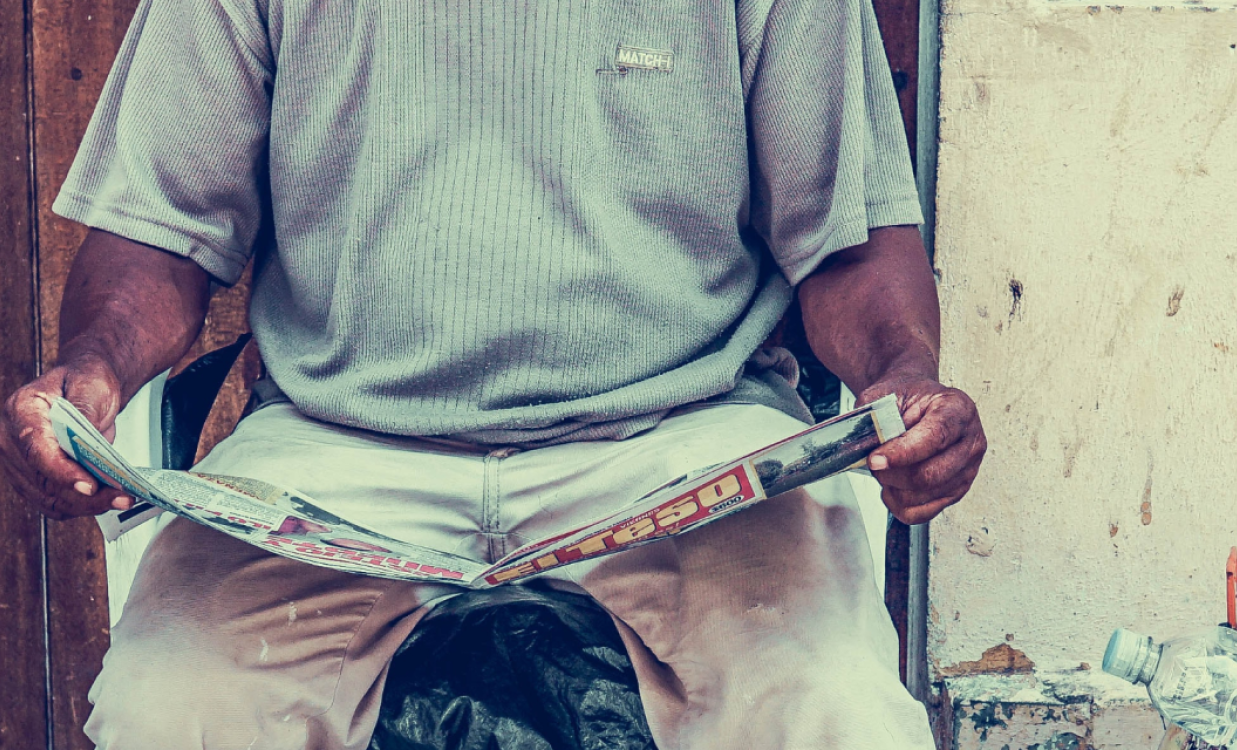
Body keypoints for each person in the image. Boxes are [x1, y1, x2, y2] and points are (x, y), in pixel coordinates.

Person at [0, 1, 986, 748]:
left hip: (684, 431)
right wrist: (92, 373)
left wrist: (904, 378)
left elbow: (850, 245)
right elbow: (158, 233)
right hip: (338, 438)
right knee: (166, 706)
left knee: (833, 709)